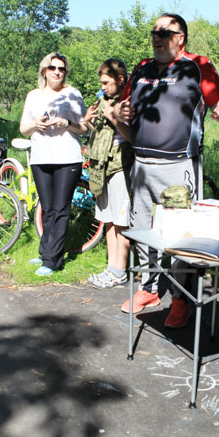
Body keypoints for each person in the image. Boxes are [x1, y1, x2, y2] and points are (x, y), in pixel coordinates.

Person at [115, 13, 219, 328]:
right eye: (154, 32)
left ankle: (181, 299)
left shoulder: (197, 65)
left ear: (180, 37)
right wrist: (117, 111)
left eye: (164, 33)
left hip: (179, 165)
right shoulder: (141, 68)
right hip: (142, 165)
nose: (157, 37)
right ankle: (149, 289)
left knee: (183, 235)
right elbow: (122, 111)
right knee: (142, 230)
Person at [18, 52, 90, 276]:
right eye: (52, 68)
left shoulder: (72, 94)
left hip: (67, 158)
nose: (57, 72)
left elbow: (85, 127)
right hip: (41, 158)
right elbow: (23, 129)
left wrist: (66, 122)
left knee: (60, 209)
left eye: (61, 69)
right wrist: (35, 124)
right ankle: (45, 253)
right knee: (48, 209)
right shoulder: (33, 96)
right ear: (44, 71)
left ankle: (52, 262)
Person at [83, 59, 133, 289]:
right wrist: (89, 122)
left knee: (121, 221)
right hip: (102, 166)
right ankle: (111, 267)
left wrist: (114, 118)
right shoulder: (104, 100)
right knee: (109, 219)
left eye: (106, 82)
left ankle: (120, 270)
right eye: (101, 83)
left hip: (121, 166)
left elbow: (134, 137)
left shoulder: (128, 102)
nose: (102, 87)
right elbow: (102, 135)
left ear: (120, 80)